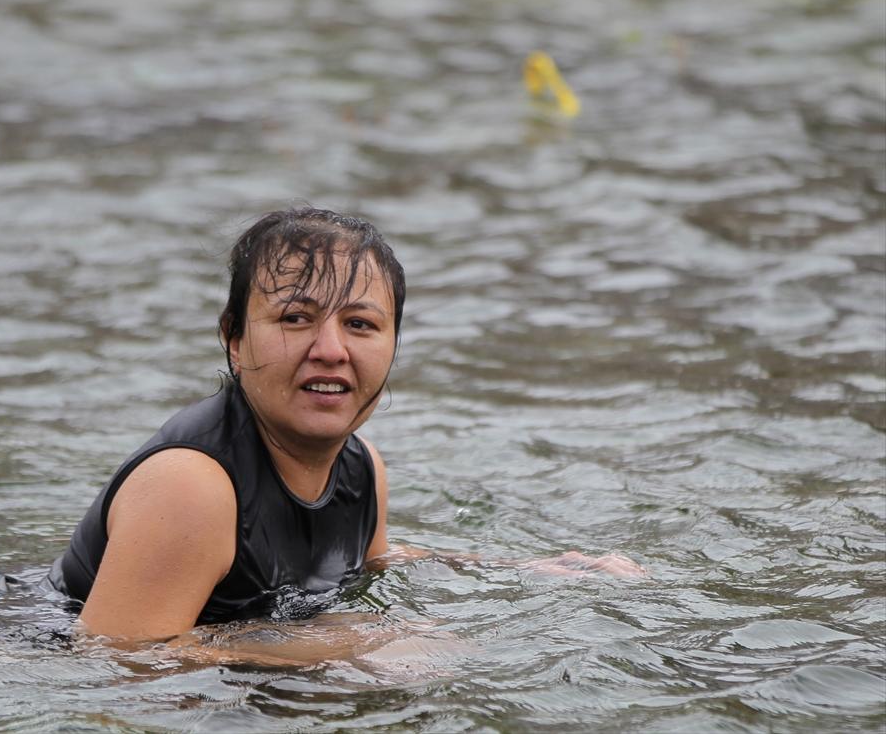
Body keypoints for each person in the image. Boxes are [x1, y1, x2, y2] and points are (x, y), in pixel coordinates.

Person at [47, 207, 642, 647]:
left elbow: (367, 565)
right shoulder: (192, 486)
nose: (330, 350)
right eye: (296, 317)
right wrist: (348, 646)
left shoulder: (361, 467)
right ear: (232, 337)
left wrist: (529, 574)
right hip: (17, 648)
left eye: (360, 325)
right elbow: (114, 660)